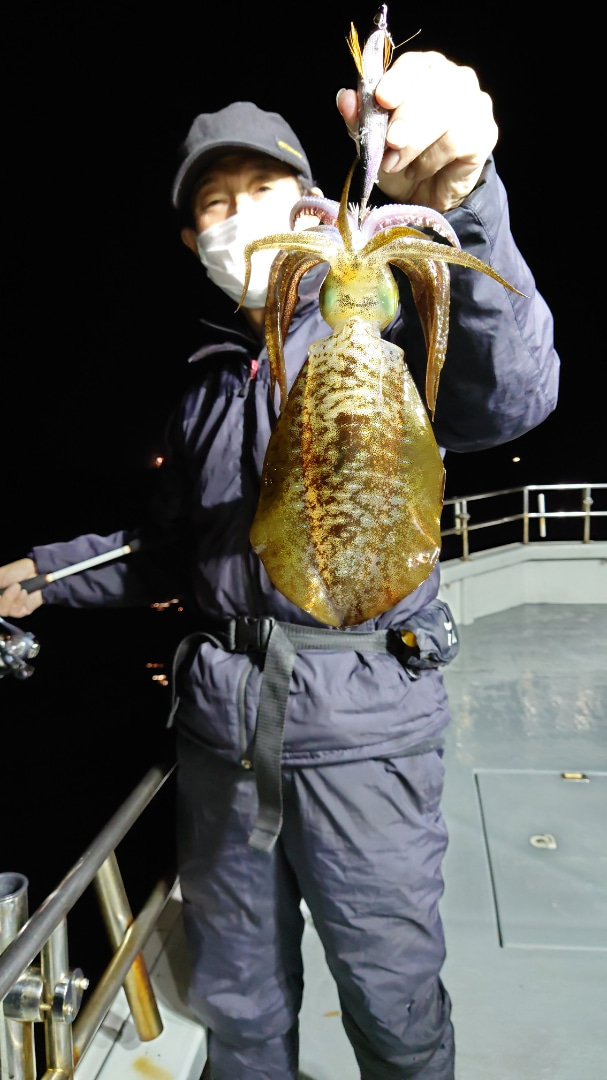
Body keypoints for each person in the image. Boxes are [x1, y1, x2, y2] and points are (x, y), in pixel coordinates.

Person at [0, 51, 559, 1080]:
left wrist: (465, 205)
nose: (237, 216)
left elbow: (510, 393)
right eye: (214, 204)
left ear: (308, 201)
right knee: (240, 1013)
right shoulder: (206, 385)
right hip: (222, 739)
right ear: (190, 237)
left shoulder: (382, 321)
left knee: (390, 1003)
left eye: (259, 190)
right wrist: (42, 571)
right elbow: (172, 546)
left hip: (365, 730)